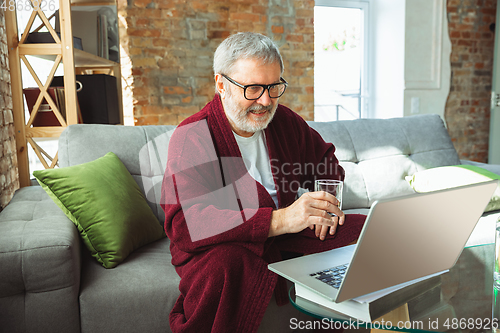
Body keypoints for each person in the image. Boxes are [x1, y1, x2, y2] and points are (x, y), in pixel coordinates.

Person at [161, 32, 366, 333]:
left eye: (274, 87)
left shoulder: (284, 121)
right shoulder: (192, 136)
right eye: (253, 88)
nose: (266, 100)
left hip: (287, 236)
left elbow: (327, 162)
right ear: (221, 84)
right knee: (227, 266)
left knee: (362, 231)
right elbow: (185, 226)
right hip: (223, 245)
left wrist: (323, 201)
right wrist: (279, 220)